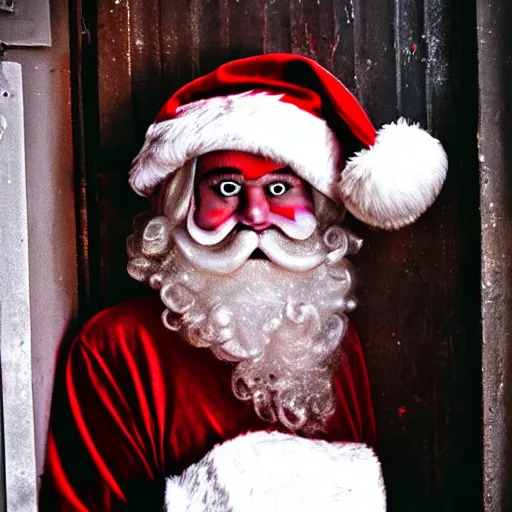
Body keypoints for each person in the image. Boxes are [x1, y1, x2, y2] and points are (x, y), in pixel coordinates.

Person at [39, 53, 447, 511]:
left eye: (278, 189)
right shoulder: (117, 347)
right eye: (227, 188)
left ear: (316, 207)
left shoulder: (333, 342)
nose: (254, 217)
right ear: (183, 204)